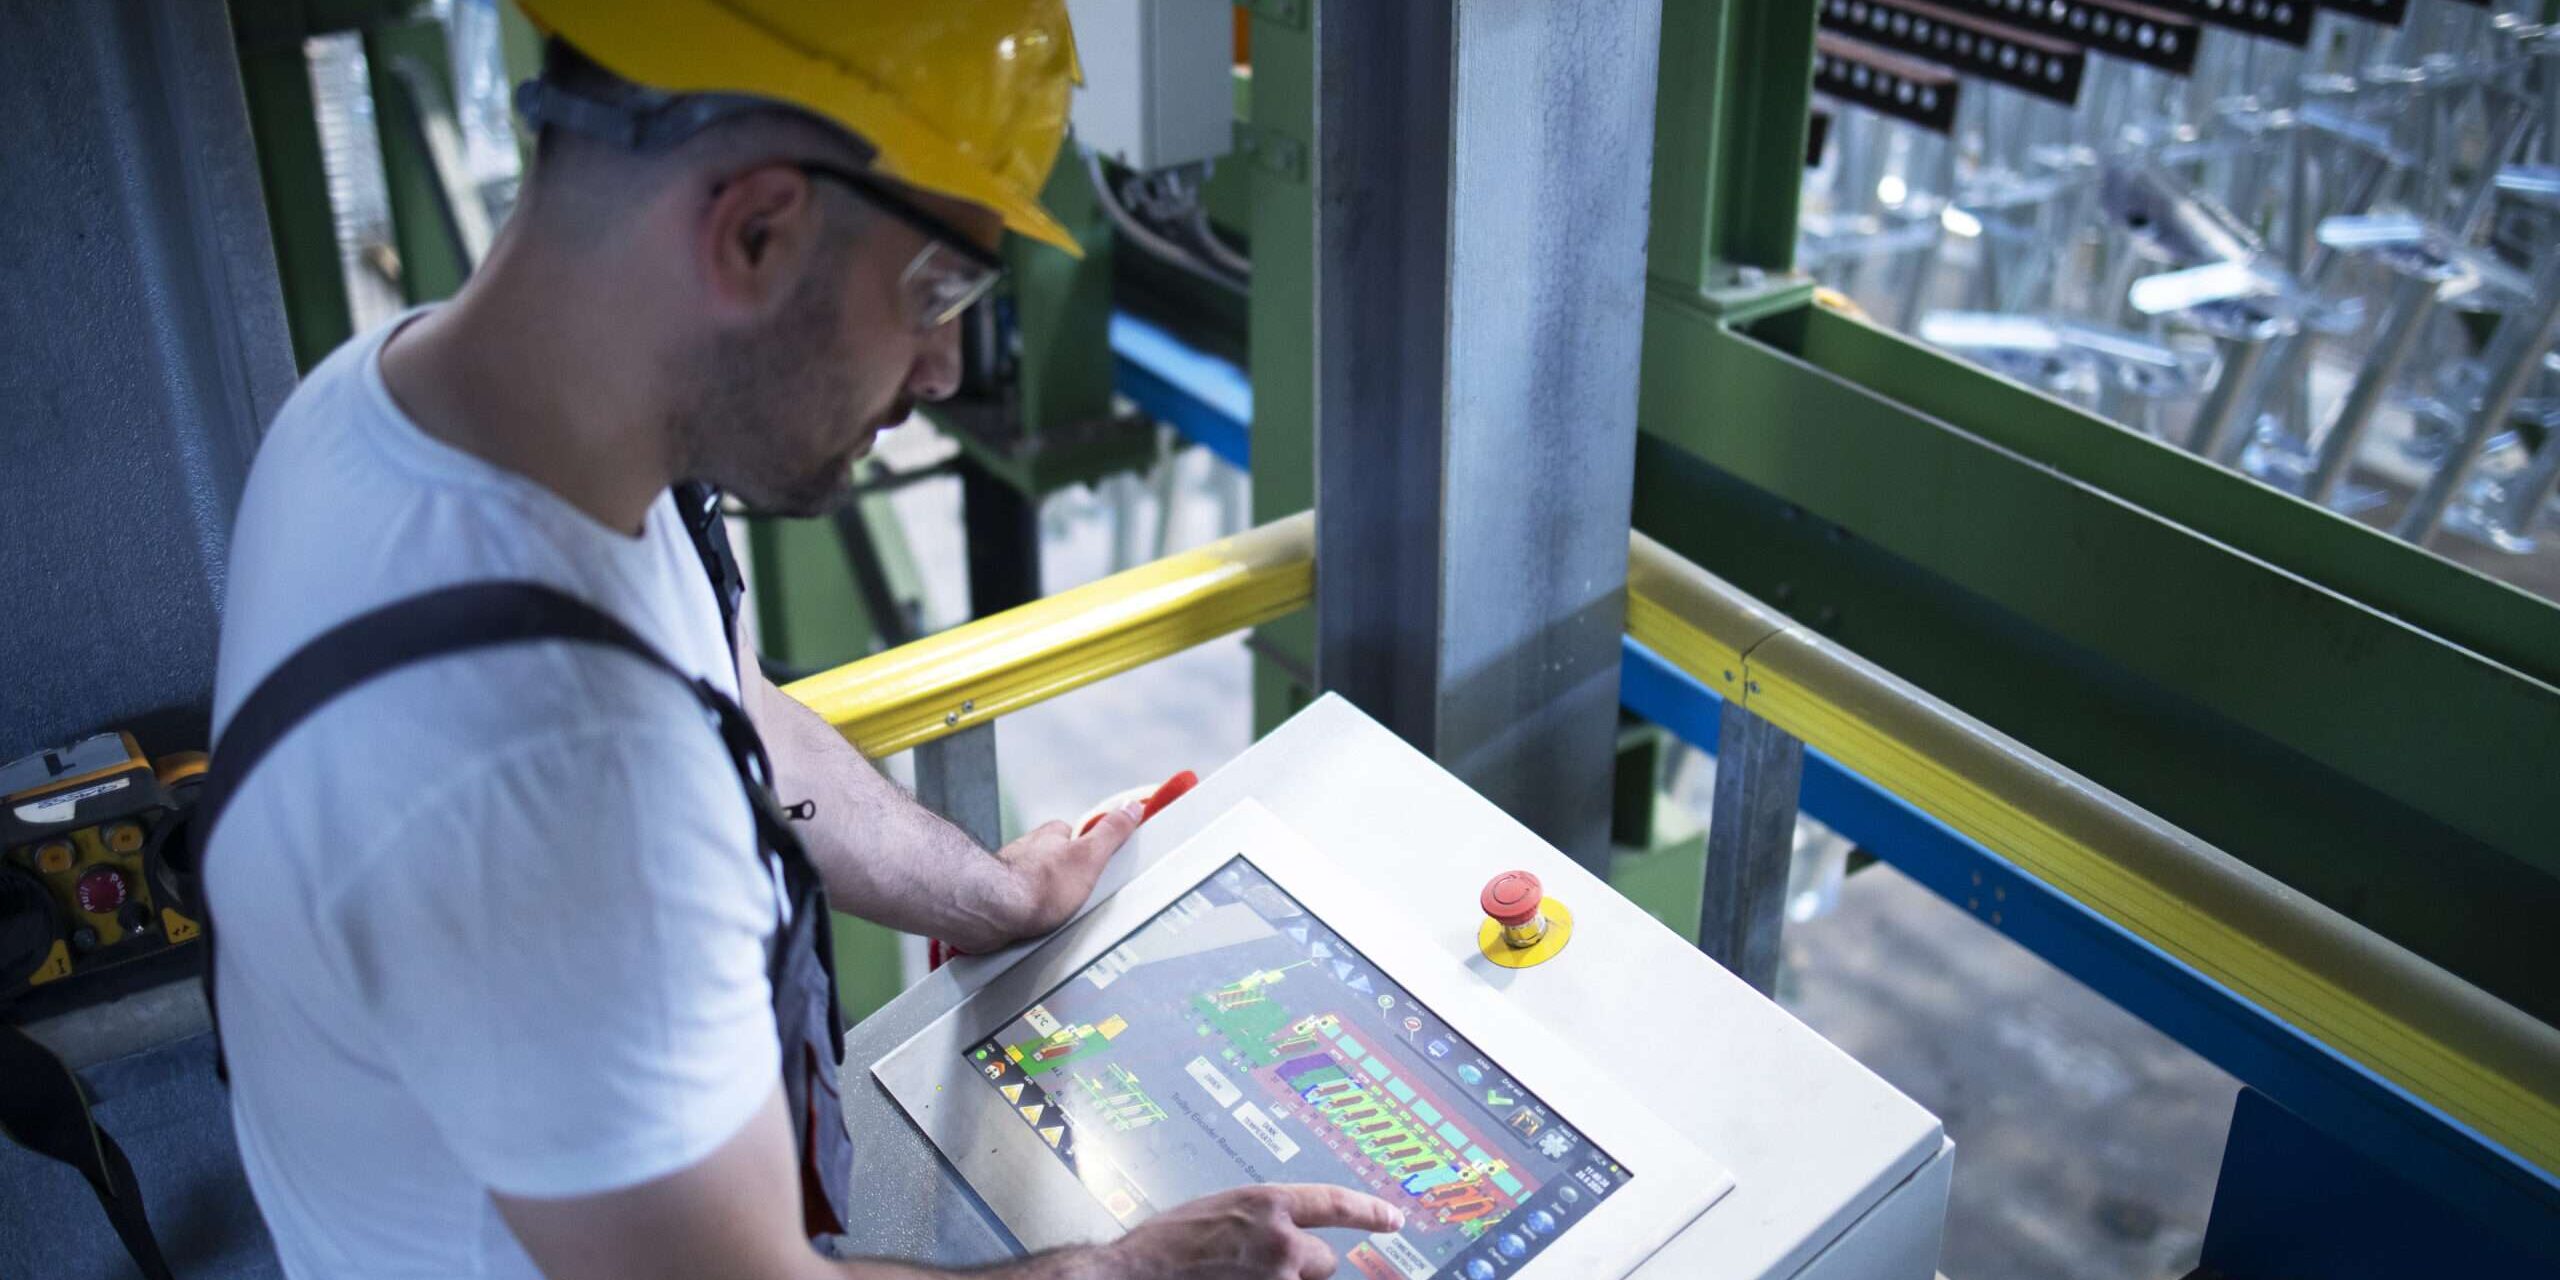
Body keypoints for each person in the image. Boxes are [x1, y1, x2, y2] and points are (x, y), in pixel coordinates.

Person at [203, 4, 1398, 1278]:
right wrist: (1127, 1269)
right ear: (757, 230)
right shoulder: (556, 788)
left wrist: (991, 894)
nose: (943, 365)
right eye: (936, 286)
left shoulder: (403, 414)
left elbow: (738, 709)